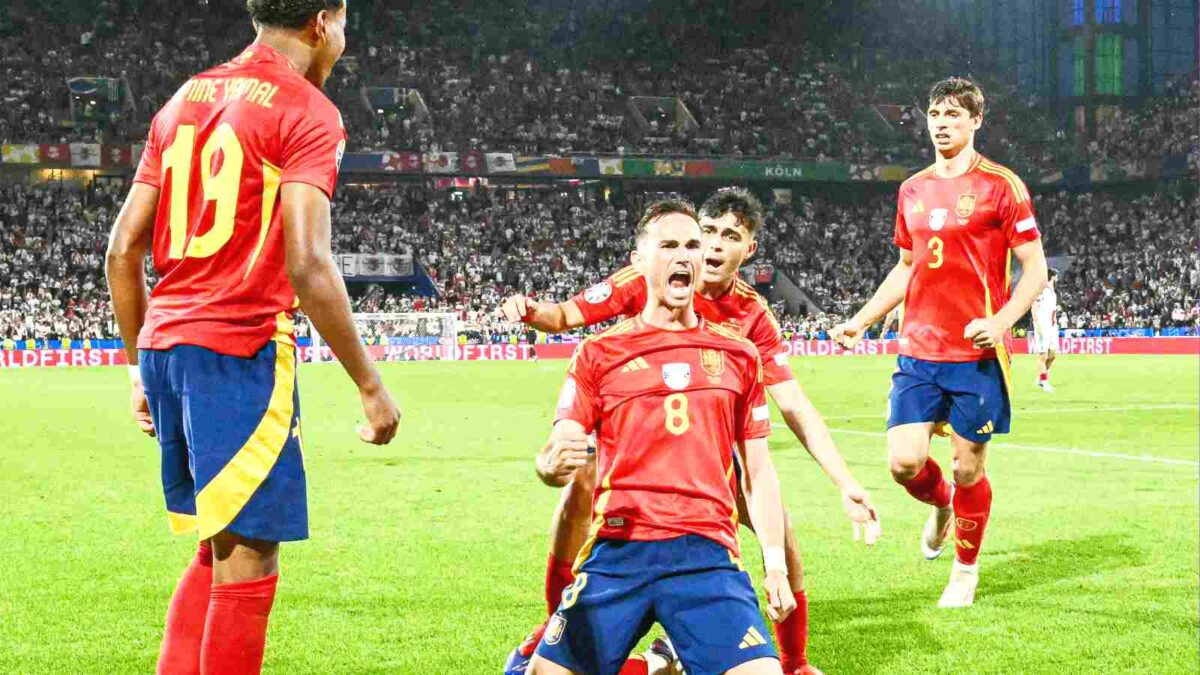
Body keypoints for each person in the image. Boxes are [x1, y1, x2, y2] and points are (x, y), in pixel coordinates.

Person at [104, 1, 400, 672]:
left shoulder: (184, 97)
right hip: (238, 350)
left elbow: (123, 249)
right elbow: (309, 262)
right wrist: (370, 382)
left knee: (215, 548)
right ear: (323, 21)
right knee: (248, 559)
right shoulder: (306, 110)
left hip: (165, 348)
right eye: (345, 22)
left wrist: (134, 371)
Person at [501, 188, 879, 675]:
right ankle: (559, 624)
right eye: (693, 239)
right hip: (622, 539)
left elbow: (792, 413)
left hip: (705, 531)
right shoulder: (603, 344)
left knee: (778, 528)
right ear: (641, 261)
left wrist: (842, 487)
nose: (699, 251)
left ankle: (794, 661)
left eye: (709, 242)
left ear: (747, 250)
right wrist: (548, 462)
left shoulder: (747, 330)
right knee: (581, 476)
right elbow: (568, 319)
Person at [526, 199, 794, 675]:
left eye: (693, 245)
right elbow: (562, 441)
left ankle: (659, 664)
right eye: (669, 245)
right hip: (618, 549)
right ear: (639, 261)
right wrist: (549, 466)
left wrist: (774, 562)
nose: (686, 256)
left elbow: (758, 470)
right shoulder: (598, 354)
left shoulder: (738, 354)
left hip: (706, 554)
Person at [830, 77, 1048, 608]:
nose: (941, 122)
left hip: (976, 354)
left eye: (953, 113)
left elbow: (1035, 270)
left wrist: (1000, 321)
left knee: (968, 466)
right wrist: (860, 319)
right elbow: (906, 267)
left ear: (976, 121)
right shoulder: (912, 189)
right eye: (934, 112)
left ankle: (965, 572)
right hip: (919, 348)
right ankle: (943, 505)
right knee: (903, 463)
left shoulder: (1002, 185)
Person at [1031, 269, 1059, 392]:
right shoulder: (1041, 290)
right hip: (1043, 326)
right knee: (1043, 355)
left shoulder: (1053, 293)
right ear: (1053, 277)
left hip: (1052, 326)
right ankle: (1044, 382)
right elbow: (1034, 306)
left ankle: (1041, 378)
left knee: (1052, 355)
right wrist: (1037, 324)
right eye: (1056, 276)